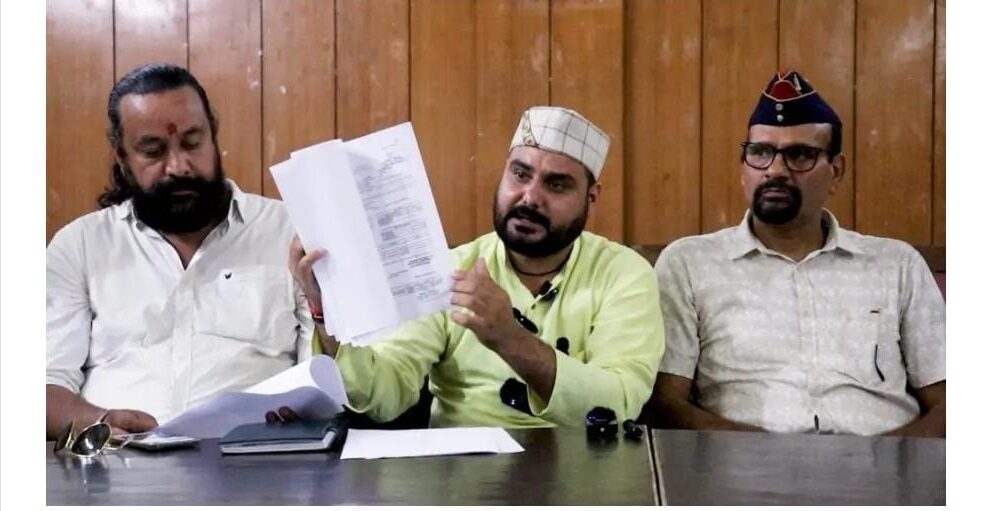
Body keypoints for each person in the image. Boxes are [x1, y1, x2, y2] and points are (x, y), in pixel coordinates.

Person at [288, 106, 665, 427]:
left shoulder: (624, 274)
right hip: (461, 472)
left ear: (591, 198)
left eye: (557, 185)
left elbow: (617, 404)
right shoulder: (452, 269)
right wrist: (327, 310)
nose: (530, 197)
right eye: (520, 174)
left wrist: (509, 338)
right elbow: (383, 396)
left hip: (582, 471)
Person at [638, 71, 946, 436]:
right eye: (760, 153)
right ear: (743, 169)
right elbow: (665, 404)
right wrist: (767, 457)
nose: (775, 170)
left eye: (800, 155)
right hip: (739, 463)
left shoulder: (895, 265)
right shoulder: (691, 264)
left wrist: (888, 460)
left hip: (885, 459)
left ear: (836, 172)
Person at [46, 63, 313, 439]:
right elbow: (45, 384)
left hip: (256, 460)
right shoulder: (80, 246)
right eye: (153, 151)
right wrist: (99, 420)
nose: (178, 166)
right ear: (123, 159)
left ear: (213, 137)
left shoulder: (291, 231)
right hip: (118, 463)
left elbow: (324, 374)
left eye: (191, 142)